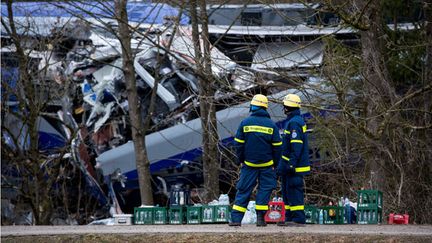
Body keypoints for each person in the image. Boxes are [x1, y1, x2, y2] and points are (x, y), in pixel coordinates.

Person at [229, 94, 282, 227]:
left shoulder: (245, 123)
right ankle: (260, 219)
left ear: (253, 106)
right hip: (267, 165)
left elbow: (238, 145)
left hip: (249, 164)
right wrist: (276, 164)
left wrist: (240, 160)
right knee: (265, 190)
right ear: (265, 108)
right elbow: (277, 148)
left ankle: (236, 220)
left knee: (243, 190)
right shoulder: (271, 125)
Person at [277, 94, 311, 226]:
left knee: (294, 190)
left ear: (287, 107)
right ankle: (290, 218)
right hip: (289, 165)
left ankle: (298, 219)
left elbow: (296, 146)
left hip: (294, 166)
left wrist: (291, 164)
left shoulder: (295, 122)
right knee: (287, 192)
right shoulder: (293, 121)